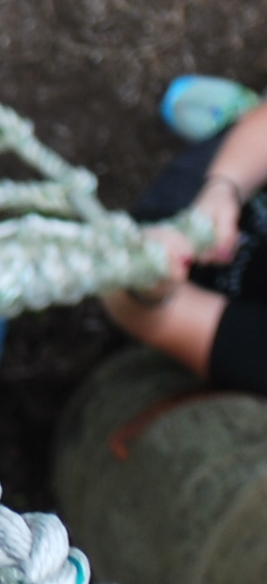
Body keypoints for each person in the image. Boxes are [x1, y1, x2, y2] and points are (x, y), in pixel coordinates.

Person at [106, 83, 267, 393]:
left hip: (193, 283)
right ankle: (242, 115)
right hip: (228, 181)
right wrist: (224, 186)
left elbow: (158, 320)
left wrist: (147, 287)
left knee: (148, 216)